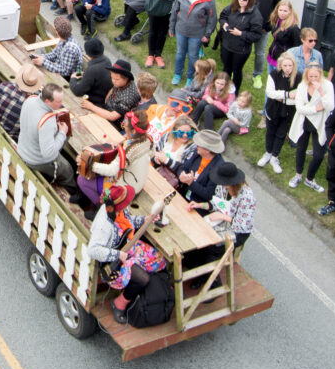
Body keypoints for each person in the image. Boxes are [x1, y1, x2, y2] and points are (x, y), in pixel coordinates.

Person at [87, 185, 167, 325]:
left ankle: (142, 291)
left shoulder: (119, 209)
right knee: (143, 279)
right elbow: (93, 250)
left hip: (130, 248)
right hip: (114, 261)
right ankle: (120, 303)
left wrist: (144, 219)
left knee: (161, 260)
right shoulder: (103, 225)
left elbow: (129, 221)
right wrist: (118, 255)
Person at [185, 162, 256, 287]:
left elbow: (242, 225)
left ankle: (213, 282)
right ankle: (196, 269)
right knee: (201, 235)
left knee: (214, 248)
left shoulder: (247, 197)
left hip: (238, 231)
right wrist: (200, 205)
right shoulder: (221, 187)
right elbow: (216, 204)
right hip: (222, 221)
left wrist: (222, 216)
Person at [75, 109, 153, 212]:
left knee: (82, 179)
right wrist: (121, 142)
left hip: (124, 189)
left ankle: (102, 207)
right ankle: (86, 198)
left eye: (125, 126)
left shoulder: (129, 151)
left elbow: (112, 170)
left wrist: (88, 165)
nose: (124, 127)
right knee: (98, 170)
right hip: (136, 184)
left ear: (133, 131)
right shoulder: (148, 141)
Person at [16, 83, 76, 188]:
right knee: (68, 170)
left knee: (63, 137)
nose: (62, 104)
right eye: (58, 102)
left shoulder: (30, 100)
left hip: (23, 147)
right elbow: (48, 154)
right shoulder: (47, 121)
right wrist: (62, 132)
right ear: (47, 101)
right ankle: (71, 192)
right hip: (34, 159)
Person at [288, 65, 335, 192]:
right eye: (311, 76)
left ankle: (309, 178)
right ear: (306, 75)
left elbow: (330, 106)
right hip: (303, 122)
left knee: (319, 155)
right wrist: (316, 108)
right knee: (300, 149)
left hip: (319, 123)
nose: (313, 79)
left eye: (316, 76)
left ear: (320, 74)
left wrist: (321, 92)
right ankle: (298, 175)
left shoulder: (327, 86)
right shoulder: (302, 86)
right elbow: (299, 108)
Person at [169, 0, 216, 86]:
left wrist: (207, 34)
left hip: (197, 33)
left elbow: (212, 18)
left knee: (193, 56)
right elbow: (175, 10)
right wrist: (171, 27)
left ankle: (190, 77)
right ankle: (177, 74)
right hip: (181, 30)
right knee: (180, 53)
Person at [258, 51, 300, 174]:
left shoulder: (298, 77)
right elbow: (270, 92)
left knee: (281, 134)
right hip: (273, 109)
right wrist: (287, 94)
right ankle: (268, 153)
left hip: (288, 111)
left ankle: (275, 156)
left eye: (290, 66)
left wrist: (282, 97)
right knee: (270, 132)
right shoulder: (273, 75)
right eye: (285, 66)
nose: (288, 69)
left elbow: (298, 96)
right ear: (281, 65)